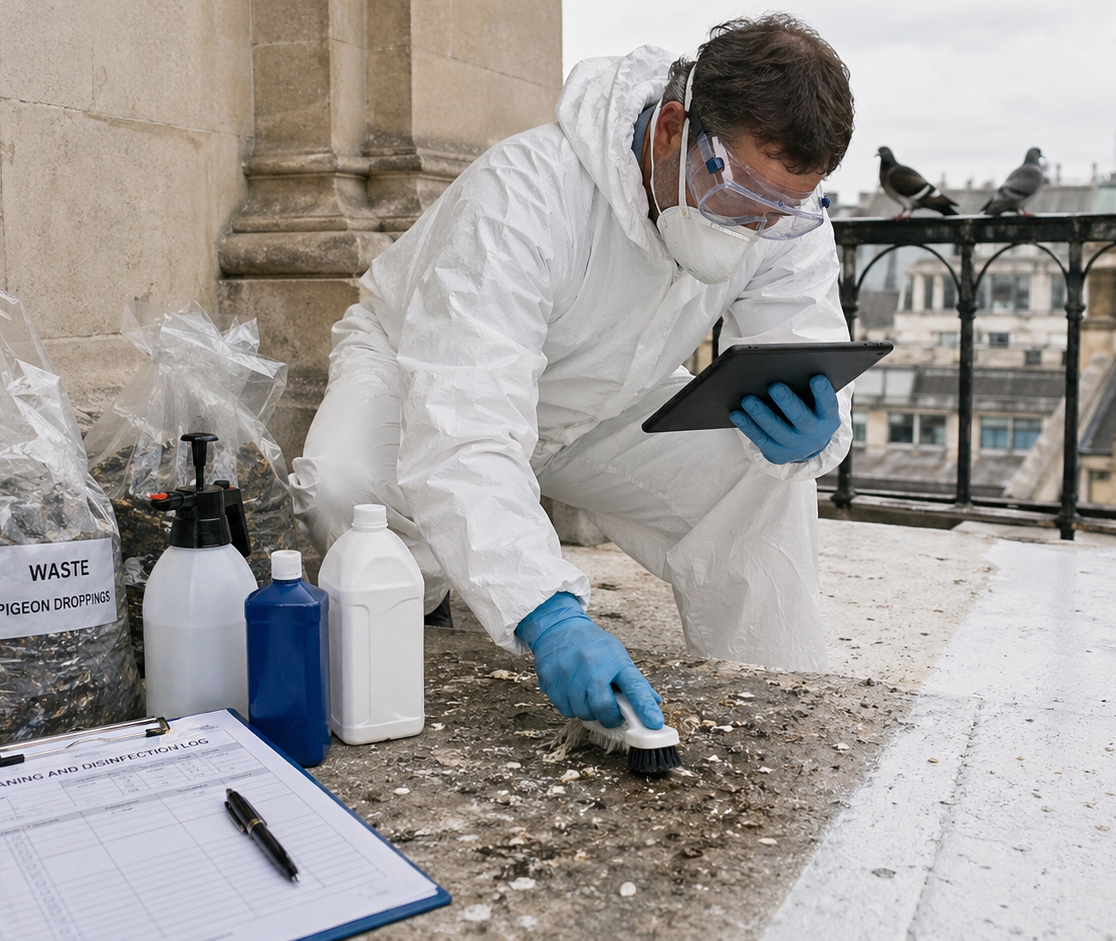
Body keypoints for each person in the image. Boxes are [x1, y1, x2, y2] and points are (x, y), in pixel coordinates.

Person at [290, 15, 855, 735]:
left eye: (780, 211)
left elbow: (800, 342)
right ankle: (428, 574)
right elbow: (466, 423)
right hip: (421, 372)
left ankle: (771, 694)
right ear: (671, 128)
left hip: (609, 401)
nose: (753, 227)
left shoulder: (774, 211)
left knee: (764, 477)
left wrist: (812, 430)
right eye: (737, 193)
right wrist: (548, 612)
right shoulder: (524, 193)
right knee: (342, 482)